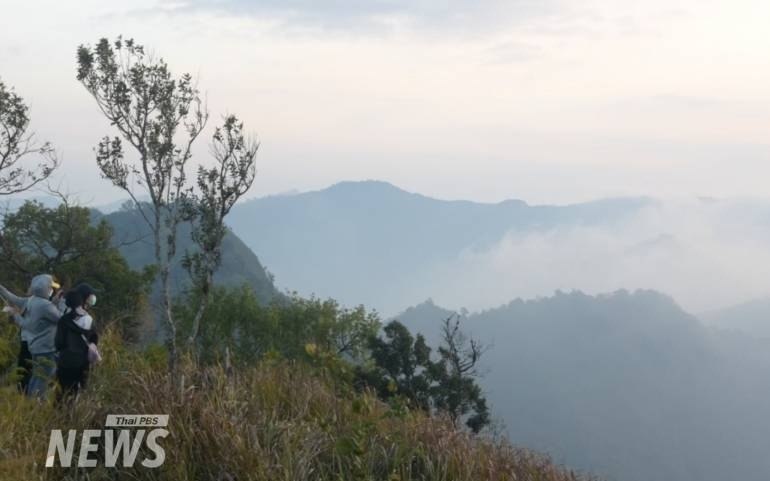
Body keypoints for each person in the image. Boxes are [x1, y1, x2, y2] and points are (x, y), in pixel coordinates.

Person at [0, 275, 64, 399]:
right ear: (45, 289)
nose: (52, 290)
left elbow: (14, 299)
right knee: (43, 376)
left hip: (34, 346)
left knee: (36, 375)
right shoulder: (45, 305)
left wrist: (2, 290)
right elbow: (61, 319)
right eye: (50, 288)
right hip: (46, 347)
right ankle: (35, 402)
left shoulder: (32, 300)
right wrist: (59, 304)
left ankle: (30, 400)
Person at [55, 284, 99, 401]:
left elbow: (58, 343)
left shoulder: (63, 318)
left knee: (62, 391)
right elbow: (94, 338)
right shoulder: (88, 320)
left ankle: (57, 416)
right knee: (76, 393)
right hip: (81, 363)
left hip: (64, 361)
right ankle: (73, 417)